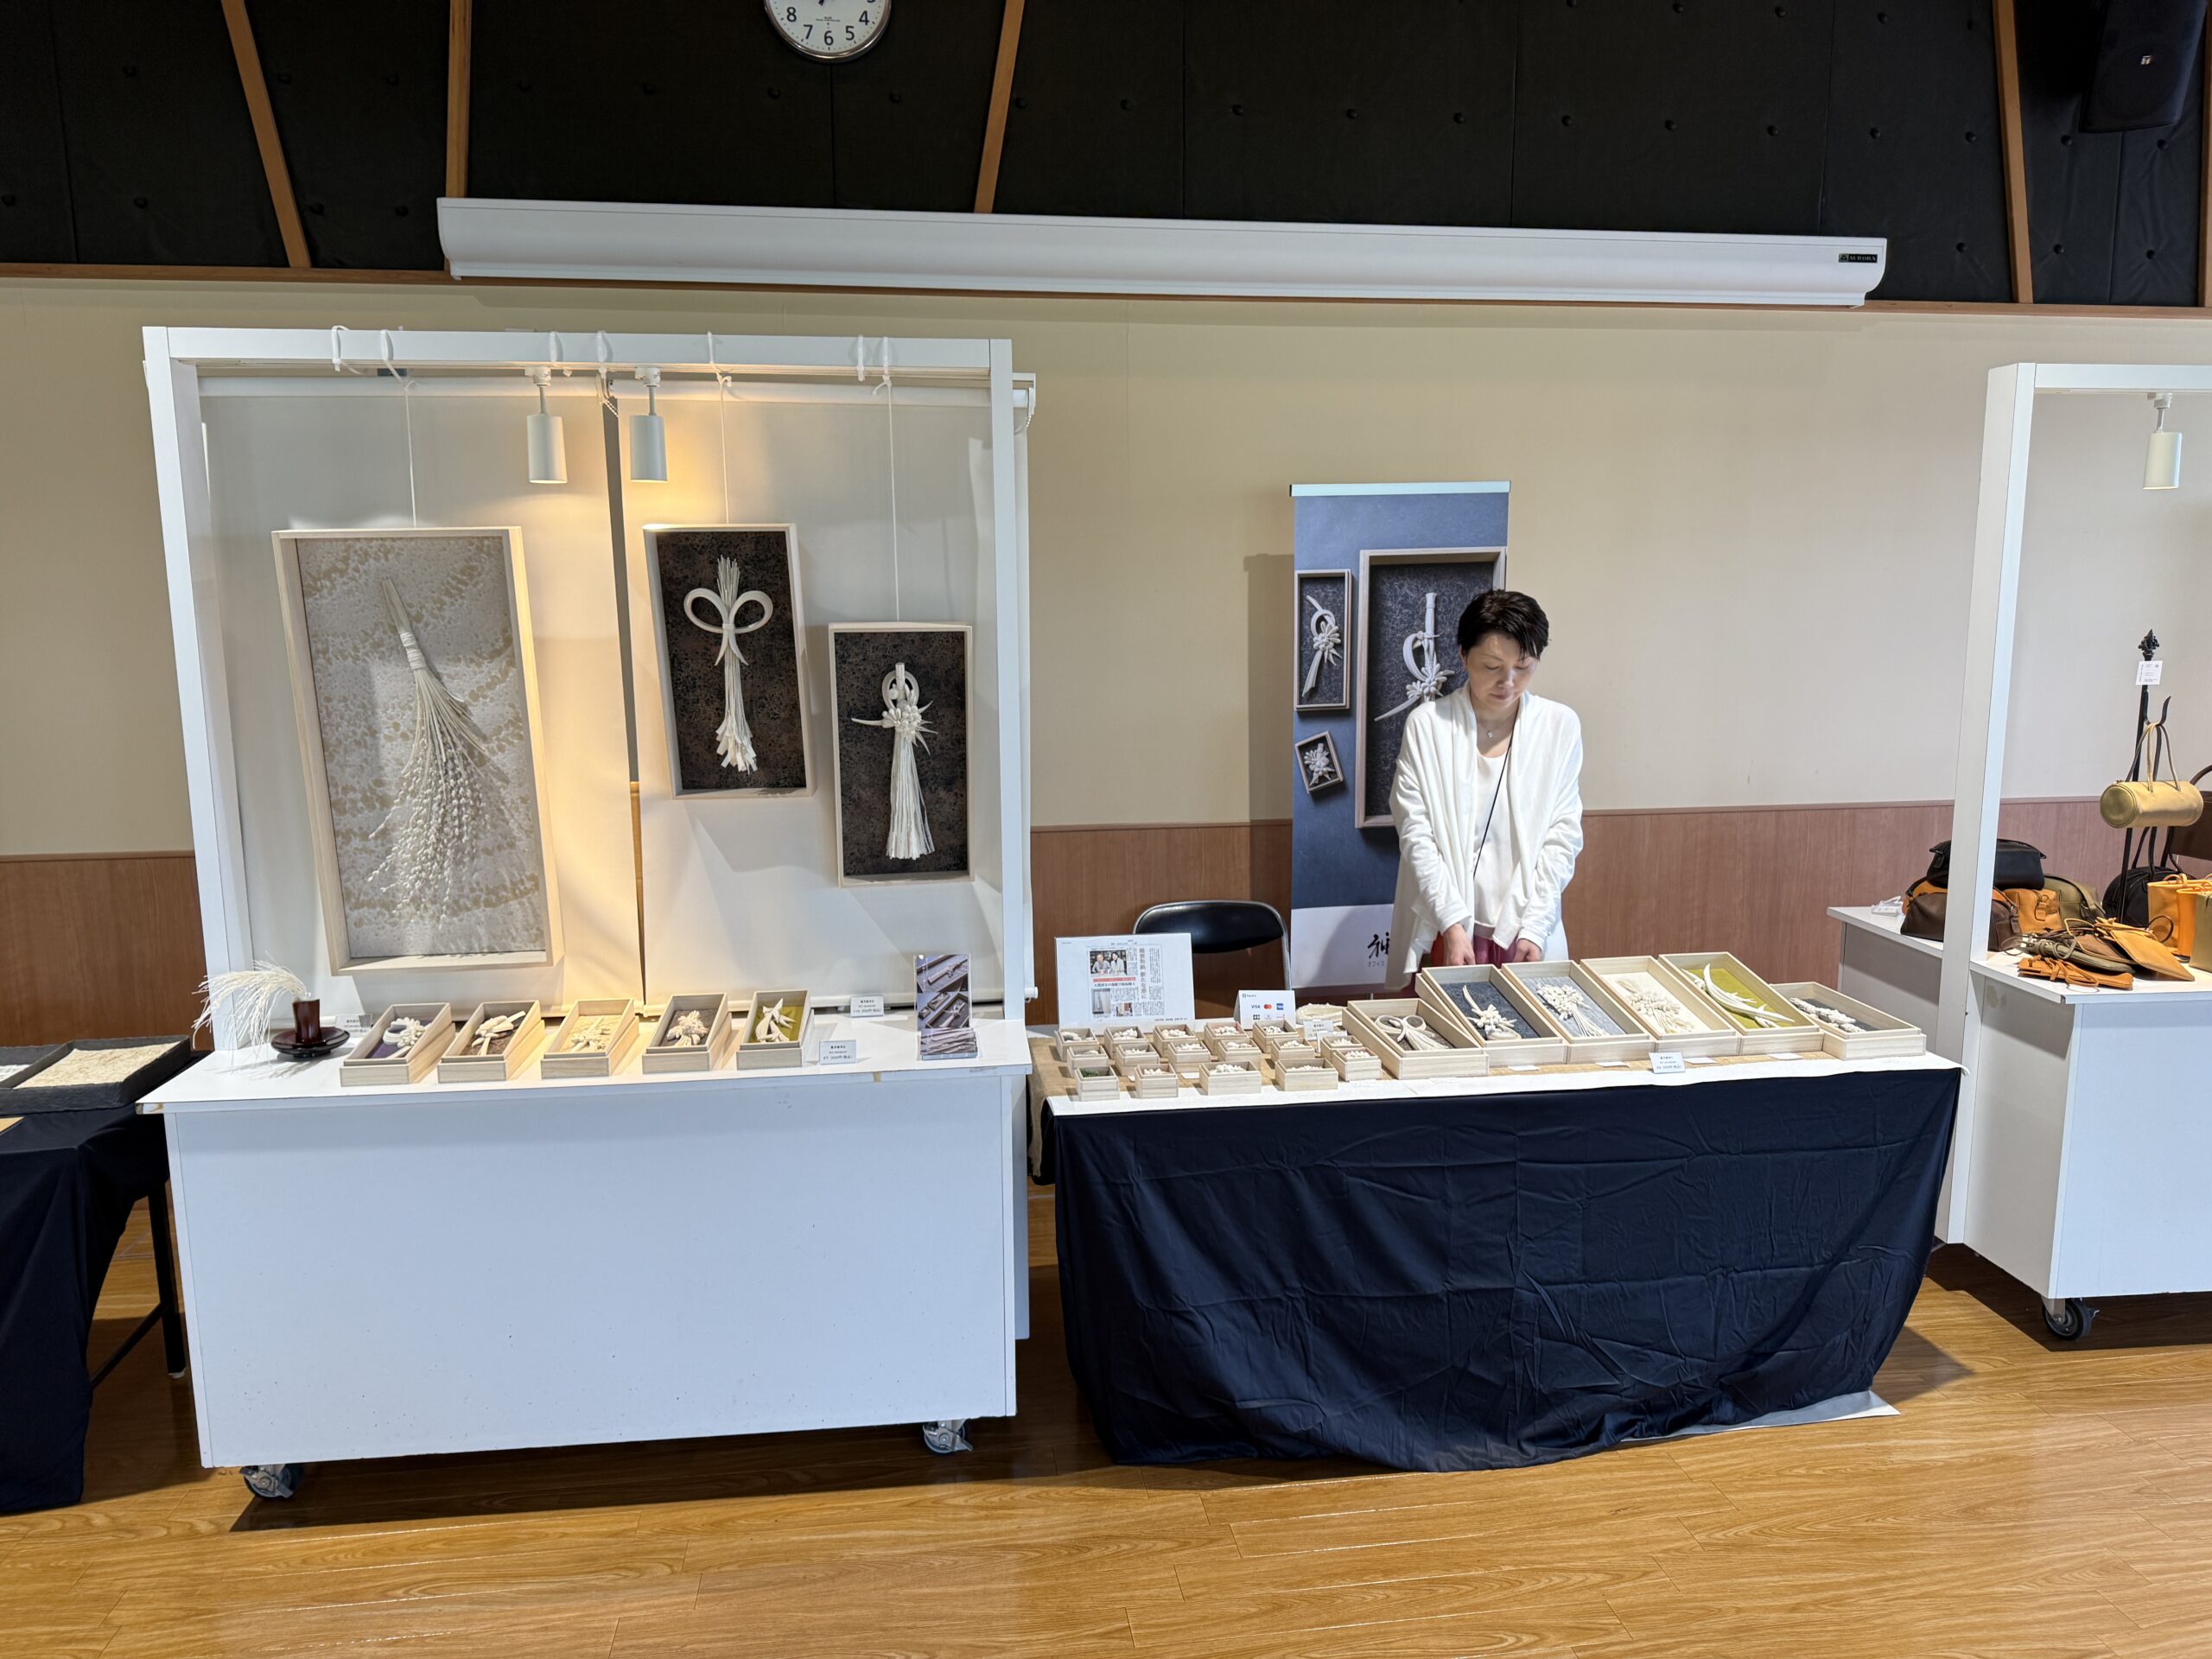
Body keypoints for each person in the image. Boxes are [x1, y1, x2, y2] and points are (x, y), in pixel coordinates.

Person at [1389, 589, 1583, 982]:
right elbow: (1416, 834)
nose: (1507, 682)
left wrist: (1537, 925)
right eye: (1492, 666)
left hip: (1526, 928)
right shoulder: (1429, 727)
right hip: (1448, 926)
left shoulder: (1559, 727)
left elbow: (1563, 836)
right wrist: (1451, 923)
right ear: (1463, 656)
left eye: (1523, 667)